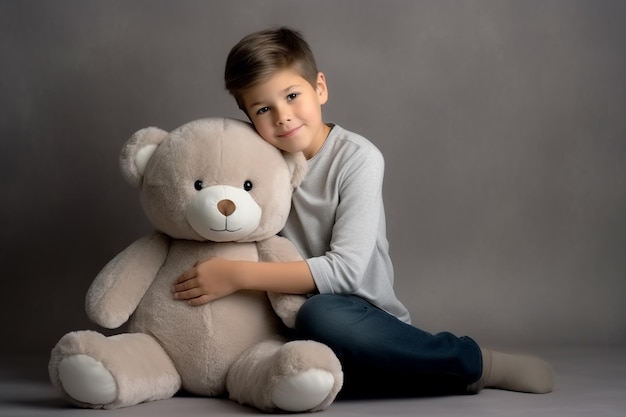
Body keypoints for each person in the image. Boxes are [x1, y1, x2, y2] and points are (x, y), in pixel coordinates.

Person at [173, 26, 554, 398]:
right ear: (248, 117)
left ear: (319, 87)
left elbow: (346, 270)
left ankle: (474, 362)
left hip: (354, 315)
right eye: (263, 109)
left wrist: (237, 275)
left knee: (320, 315)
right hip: (285, 317)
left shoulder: (357, 158)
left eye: (292, 96)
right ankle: (397, 377)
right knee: (291, 366)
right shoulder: (257, 165)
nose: (283, 117)